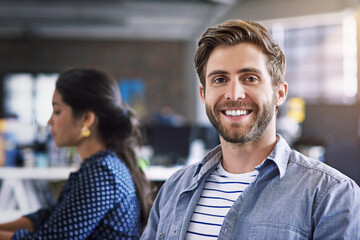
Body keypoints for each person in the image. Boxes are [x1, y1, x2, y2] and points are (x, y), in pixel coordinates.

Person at [140, 19, 360, 239]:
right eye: (219, 79)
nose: (234, 94)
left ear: (280, 93)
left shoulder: (332, 195)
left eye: (250, 78)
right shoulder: (174, 189)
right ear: (204, 94)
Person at [0, 68, 153, 239]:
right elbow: (48, 217)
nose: (49, 121)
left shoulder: (102, 173)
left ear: (87, 119)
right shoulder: (99, 166)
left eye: (57, 111)